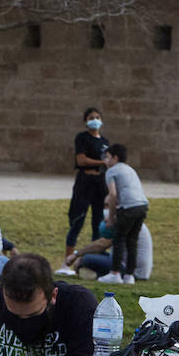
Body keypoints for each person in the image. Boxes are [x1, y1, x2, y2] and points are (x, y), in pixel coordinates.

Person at [64, 107, 110, 263]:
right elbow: (81, 160)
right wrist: (102, 162)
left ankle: (93, 260)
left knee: (98, 221)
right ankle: (67, 260)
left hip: (100, 183)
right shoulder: (82, 138)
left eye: (98, 117)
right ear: (85, 121)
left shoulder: (104, 142)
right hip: (85, 182)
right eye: (91, 117)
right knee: (77, 219)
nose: (95, 120)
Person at [99, 143, 149, 285]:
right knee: (132, 241)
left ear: (115, 158)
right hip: (142, 206)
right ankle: (129, 276)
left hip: (128, 207)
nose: (106, 161)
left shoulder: (111, 171)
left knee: (119, 238)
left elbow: (113, 194)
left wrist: (110, 217)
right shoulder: (130, 169)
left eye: (107, 157)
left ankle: (114, 274)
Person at [55, 216, 154, 281]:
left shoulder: (124, 222)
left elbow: (102, 244)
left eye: (107, 206)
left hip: (133, 272)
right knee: (89, 257)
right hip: (135, 270)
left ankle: (96, 274)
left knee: (86, 259)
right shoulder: (130, 220)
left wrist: (77, 255)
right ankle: (96, 274)